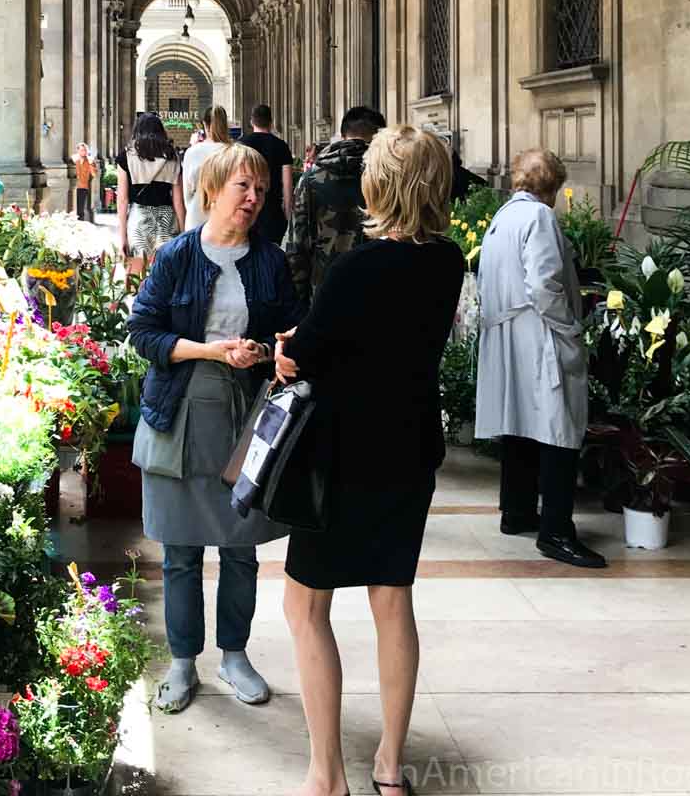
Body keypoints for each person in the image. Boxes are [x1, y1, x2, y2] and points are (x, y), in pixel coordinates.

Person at [274, 126, 464, 796]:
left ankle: (326, 773)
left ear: (379, 183)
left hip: (341, 455)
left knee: (305, 608)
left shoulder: (357, 267)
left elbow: (312, 352)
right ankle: (389, 764)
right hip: (408, 448)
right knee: (391, 599)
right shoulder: (448, 262)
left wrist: (286, 348)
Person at [128, 143, 304, 715]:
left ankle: (234, 656)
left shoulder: (269, 261)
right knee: (180, 551)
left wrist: (273, 349)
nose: (254, 199)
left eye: (259, 190)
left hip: (243, 415)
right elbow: (143, 333)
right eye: (243, 188)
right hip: (179, 414)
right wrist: (211, 350)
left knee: (240, 548)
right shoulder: (177, 255)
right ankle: (182, 665)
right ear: (211, 189)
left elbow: (290, 328)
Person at [475, 148, 605, 569]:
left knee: (518, 424)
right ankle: (555, 531)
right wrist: (570, 327)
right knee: (557, 428)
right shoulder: (540, 217)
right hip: (538, 333)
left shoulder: (503, 216)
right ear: (552, 186)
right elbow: (545, 284)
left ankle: (516, 511)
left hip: (508, 332)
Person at [285, 105, 386, 304]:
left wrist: (298, 303)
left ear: (342, 135)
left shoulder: (311, 178)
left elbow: (297, 244)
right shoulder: (386, 177)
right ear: (379, 137)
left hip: (323, 292)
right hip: (374, 293)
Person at [116, 113, 186, 268]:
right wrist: (184, 232)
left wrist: (122, 237)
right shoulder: (172, 157)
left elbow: (122, 200)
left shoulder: (126, 157)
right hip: (167, 221)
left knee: (136, 279)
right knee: (166, 278)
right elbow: (178, 201)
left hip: (139, 220)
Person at [239, 103, 294, 245]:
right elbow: (287, 184)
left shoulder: (241, 145)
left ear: (251, 122)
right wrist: (288, 215)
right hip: (273, 212)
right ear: (271, 122)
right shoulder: (281, 146)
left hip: (247, 209)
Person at [181, 105, 233, 231]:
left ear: (205, 124)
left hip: (197, 215)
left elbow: (187, 193)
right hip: (226, 216)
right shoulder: (233, 151)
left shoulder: (192, 152)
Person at [74, 142, 99, 221]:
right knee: (74, 209)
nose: (83, 152)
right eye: (81, 150)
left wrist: (91, 164)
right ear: (78, 151)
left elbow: (94, 174)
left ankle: (80, 225)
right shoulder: (74, 160)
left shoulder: (89, 161)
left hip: (83, 187)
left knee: (80, 209)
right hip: (74, 186)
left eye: (85, 150)